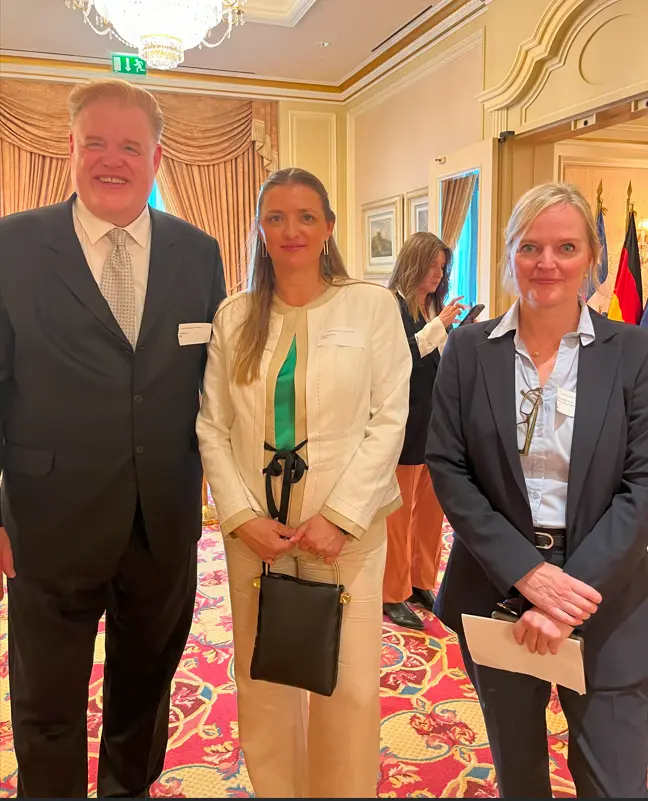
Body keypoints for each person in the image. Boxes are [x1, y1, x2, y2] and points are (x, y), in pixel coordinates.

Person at [0, 79, 227, 797]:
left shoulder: (199, 252)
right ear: (69, 148)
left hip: (163, 523)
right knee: (47, 706)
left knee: (144, 693)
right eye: (94, 141)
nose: (111, 159)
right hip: (48, 522)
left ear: (157, 159)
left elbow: (220, 387)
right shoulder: (11, 245)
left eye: (130, 146)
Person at [427, 182, 648, 798]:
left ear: (591, 260)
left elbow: (644, 484)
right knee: (519, 774)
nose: (546, 263)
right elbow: (448, 468)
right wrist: (528, 574)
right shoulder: (467, 351)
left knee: (616, 781)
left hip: (609, 594)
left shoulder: (634, 352)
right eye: (530, 247)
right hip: (498, 588)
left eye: (566, 247)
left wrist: (567, 594)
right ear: (508, 257)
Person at [196, 167, 411, 798]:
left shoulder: (371, 306)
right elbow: (212, 424)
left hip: (348, 535)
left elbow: (390, 416)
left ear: (329, 228)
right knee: (263, 682)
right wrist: (238, 516)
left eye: (306, 217)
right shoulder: (234, 316)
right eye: (275, 218)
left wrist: (341, 516)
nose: (291, 230)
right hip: (255, 535)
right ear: (259, 230)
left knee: (347, 688)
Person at [382, 233, 466, 629]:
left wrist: (456, 331)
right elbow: (399, 360)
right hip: (404, 423)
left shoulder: (428, 305)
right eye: (432, 266)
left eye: (442, 267)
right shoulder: (392, 305)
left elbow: (437, 359)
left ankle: (420, 581)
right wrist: (439, 326)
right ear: (414, 262)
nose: (438, 274)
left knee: (430, 512)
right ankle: (392, 592)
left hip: (433, 421)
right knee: (399, 516)